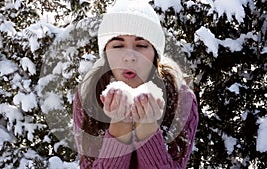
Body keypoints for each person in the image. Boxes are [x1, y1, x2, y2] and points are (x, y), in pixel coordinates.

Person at [73, 0, 199, 168]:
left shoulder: (181, 99)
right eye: (118, 45)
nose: (130, 56)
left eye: (141, 45)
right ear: (106, 54)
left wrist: (147, 130)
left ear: (155, 54)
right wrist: (119, 128)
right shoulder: (88, 96)